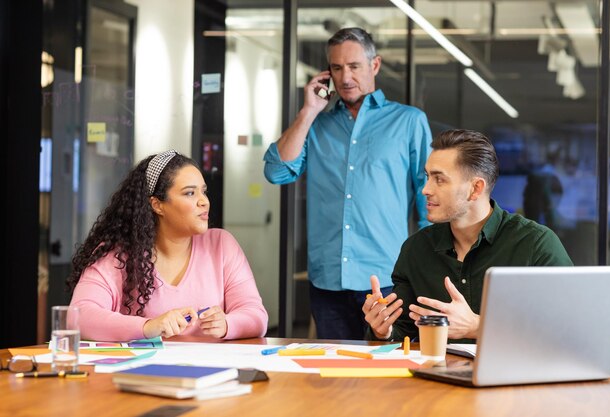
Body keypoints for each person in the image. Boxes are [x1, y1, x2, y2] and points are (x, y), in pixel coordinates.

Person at [263, 27, 432, 340]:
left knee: (390, 375)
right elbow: (277, 172)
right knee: (335, 379)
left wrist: (425, 270)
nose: (345, 77)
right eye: (337, 68)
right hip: (328, 279)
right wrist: (308, 111)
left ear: (375, 66)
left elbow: (428, 199)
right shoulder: (316, 126)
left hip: (387, 278)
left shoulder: (408, 122)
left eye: (354, 66)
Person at [363, 129, 573, 343]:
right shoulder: (416, 249)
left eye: (439, 179)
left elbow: (569, 330)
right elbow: (403, 332)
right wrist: (383, 330)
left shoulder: (536, 245)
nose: (425, 189)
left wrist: (477, 326)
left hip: (514, 375)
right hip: (435, 375)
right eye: (427, 177)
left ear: (475, 189)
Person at [68, 150, 268, 341]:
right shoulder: (118, 255)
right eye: (190, 193)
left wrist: (227, 324)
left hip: (213, 372)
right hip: (144, 373)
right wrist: (149, 327)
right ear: (157, 205)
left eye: (203, 192)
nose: (204, 202)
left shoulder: (222, 245)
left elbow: (256, 315)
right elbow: (79, 317)